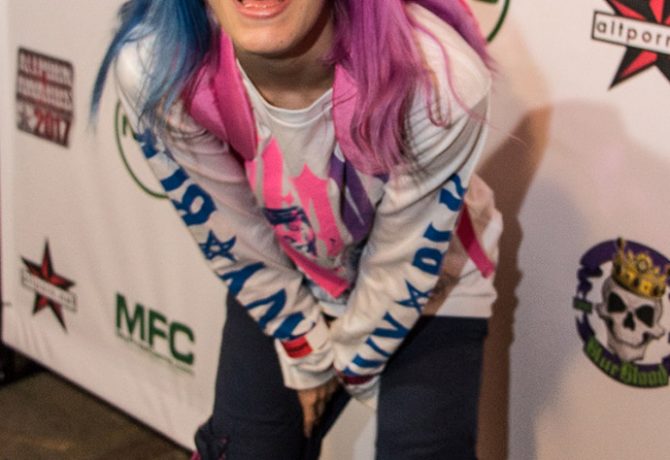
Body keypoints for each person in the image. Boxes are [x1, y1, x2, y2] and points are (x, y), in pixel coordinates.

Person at [91, 0, 502, 458]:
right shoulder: (158, 65)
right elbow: (234, 234)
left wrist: (342, 363)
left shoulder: (438, 79)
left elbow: (401, 262)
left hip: (430, 283)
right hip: (286, 267)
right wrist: (304, 347)